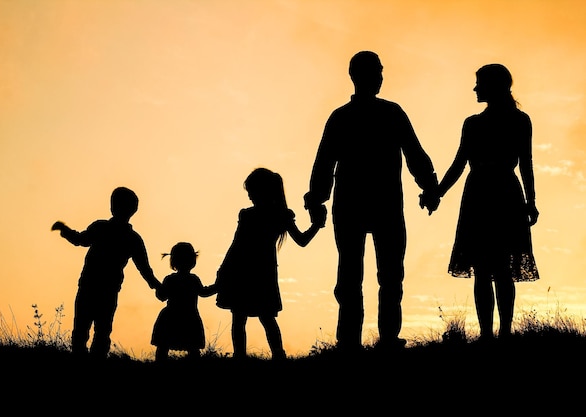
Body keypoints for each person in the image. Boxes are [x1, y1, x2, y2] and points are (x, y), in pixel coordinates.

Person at [304, 50, 439, 353]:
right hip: (375, 204)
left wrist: (317, 200)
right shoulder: (385, 114)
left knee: (372, 276)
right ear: (357, 76)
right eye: (376, 72)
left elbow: (324, 162)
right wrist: (429, 186)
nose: (379, 78)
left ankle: (365, 340)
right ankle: (369, 340)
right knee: (371, 276)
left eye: (380, 72)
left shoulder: (350, 116)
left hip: (368, 204)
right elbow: (325, 162)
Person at [421, 63, 540, 342]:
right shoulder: (489, 122)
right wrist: (436, 192)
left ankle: (498, 334)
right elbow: (461, 163)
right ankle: (495, 334)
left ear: (494, 85)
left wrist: (531, 201)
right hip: (495, 194)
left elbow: (525, 163)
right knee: (491, 269)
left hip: (487, 194)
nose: (475, 88)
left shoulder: (507, 122)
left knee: (492, 269)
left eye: (480, 83)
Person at [215, 167, 326, 360]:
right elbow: (302, 240)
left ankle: (248, 356)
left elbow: (236, 245)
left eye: (251, 191)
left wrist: (223, 270)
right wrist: (316, 225)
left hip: (247, 271)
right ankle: (273, 355)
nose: (249, 195)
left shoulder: (256, 215)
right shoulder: (276, 214)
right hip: (259, 271)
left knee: (244, 317)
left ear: (262, 190)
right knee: (261, 317)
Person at [51, 186, 162, 359]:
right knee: (101, 330)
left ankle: (80, 359)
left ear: (112, 207)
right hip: (106, 289)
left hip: (91, 286)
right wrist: (157, 287)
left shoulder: (102, 228)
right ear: (134, 210)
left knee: (83, 328)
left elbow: (80, 240)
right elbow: (145, 270)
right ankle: (97, 361)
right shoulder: (133, 238)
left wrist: (64, 231)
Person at [151, 242, 217, 361]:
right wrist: (217, 287)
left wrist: (157, 287)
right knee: (193, 348)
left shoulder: (169, 279)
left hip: (170, 317)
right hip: (189, 317)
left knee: (163, 346)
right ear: (192, 260)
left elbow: (161, 296)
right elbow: (204, 292)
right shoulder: (193, 279)